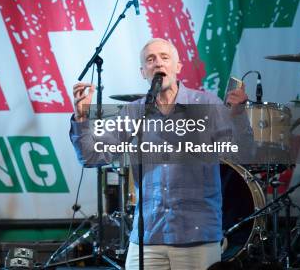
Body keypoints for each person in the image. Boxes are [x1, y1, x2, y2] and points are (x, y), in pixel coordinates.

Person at [70, 38, 253, 270]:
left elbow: (242, 155)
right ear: (143, 72)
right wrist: (81, 119)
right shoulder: (134, 112)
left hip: (196, 236)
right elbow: (90, 157)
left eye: (164, 58)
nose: (158, 63)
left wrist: (238, 116)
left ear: (178, 67)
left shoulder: (206, 104)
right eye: (150, 59)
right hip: (148, 237)